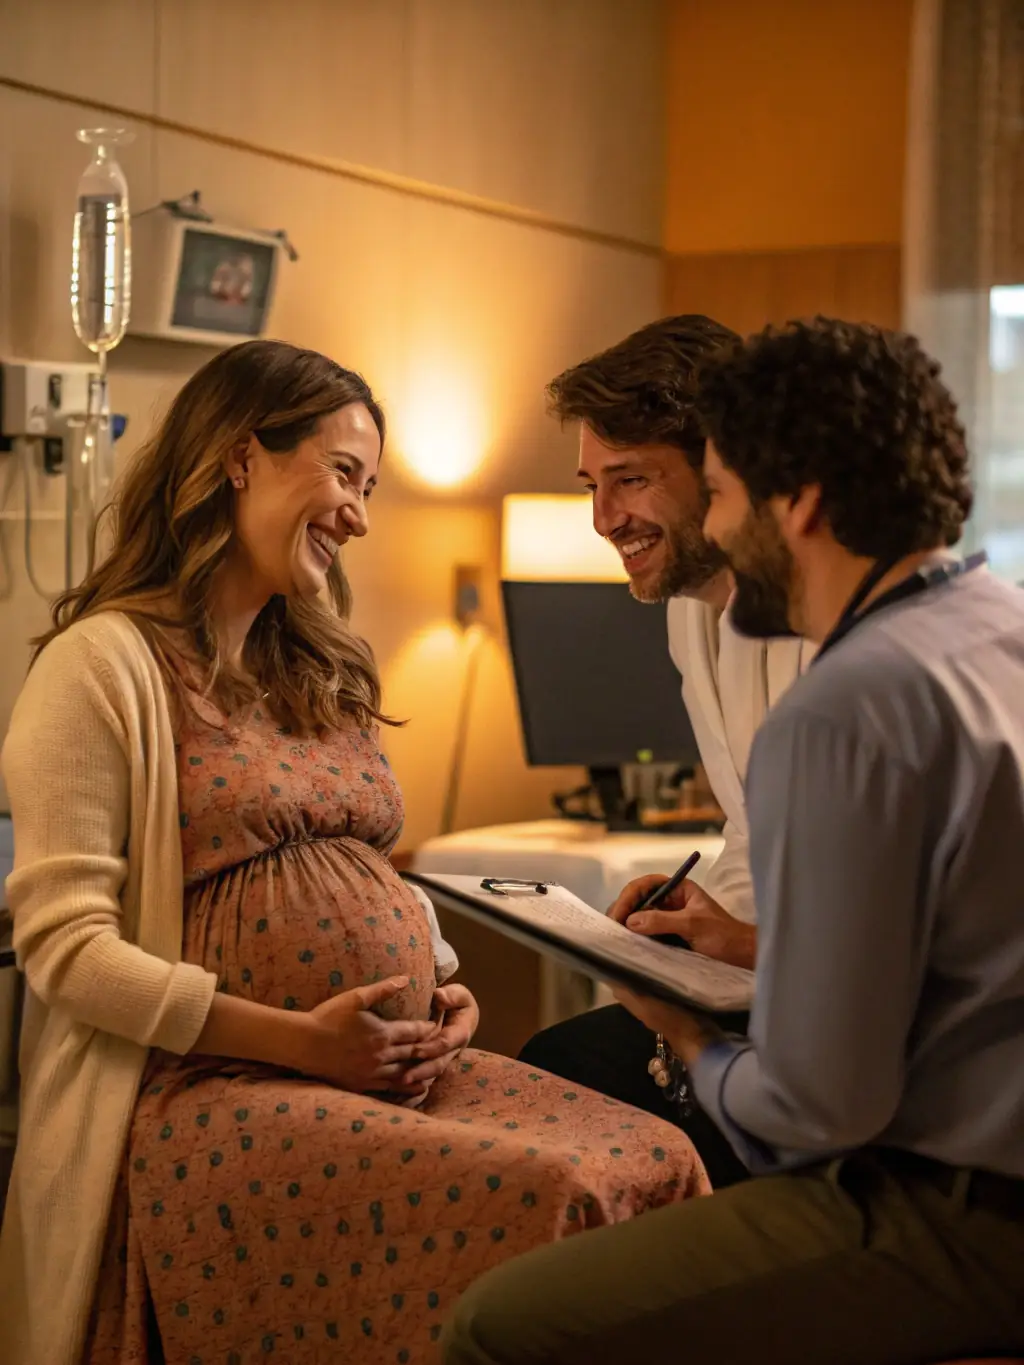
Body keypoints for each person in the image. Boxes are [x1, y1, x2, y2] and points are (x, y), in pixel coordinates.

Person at [0, 341, 707, 1365]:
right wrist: (299, 1042)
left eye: (369, 488)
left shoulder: (320, 662)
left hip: (381, 1071)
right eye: (343, 474)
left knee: (651, 1155)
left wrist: (446, 988)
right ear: (240, 457)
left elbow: (376, 877)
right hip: (205, 1092)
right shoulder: (99, 669)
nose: (360, 515)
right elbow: (67, 954)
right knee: (551, 1192)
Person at [442, 317, 1024, 1365]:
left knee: (493, 1325)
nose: (706, 517)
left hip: (964, 1205)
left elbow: (812, 1112)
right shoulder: (998, 629)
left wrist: (680, 1026)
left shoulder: (844, 705)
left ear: (791, 500)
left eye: (714, 492)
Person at [519, 315, 812, 1187]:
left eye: (632, 479)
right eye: (591, 485)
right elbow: (758, 833)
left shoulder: (831, 621)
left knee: (570, 1096)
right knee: (544, 1071)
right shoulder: (691, 610)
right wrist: (686, 929)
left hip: (845, 1027)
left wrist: (734, 947)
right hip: (764, 990)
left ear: (722, 467)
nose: (606, 519)